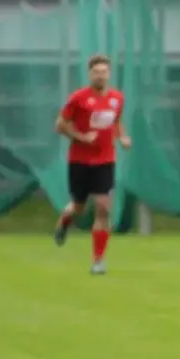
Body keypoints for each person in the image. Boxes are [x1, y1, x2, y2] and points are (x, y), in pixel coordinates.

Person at [53, 53, 131, 275]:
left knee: (104, 207)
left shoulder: (117, 98)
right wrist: (81, 137)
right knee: (78, 205)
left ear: (109, 74)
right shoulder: (79, 98)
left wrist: (123, 137)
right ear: (90, 74)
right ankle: (65, 220)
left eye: (104, 72)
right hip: (80, 161)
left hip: (105, 160)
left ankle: (98, 261)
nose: (100, 76)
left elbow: (116, 122)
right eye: (96, 72)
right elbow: (60, 124)